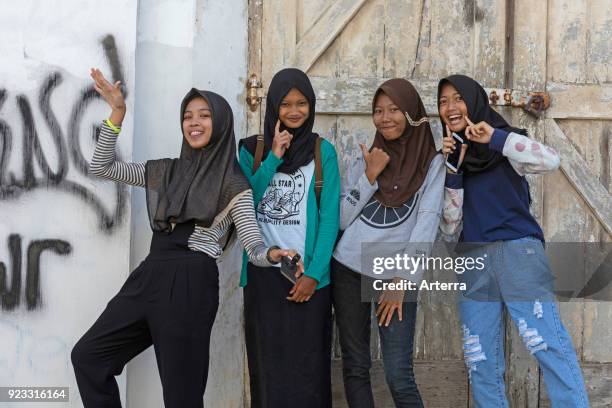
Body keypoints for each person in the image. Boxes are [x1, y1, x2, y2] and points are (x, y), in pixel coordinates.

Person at [71, 68, 302, 408]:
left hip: (191, 284)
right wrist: (117, 113)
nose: (194, 122)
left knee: (182, 397)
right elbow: (102, 167)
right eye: (188, 116)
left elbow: (252, 244)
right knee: (89, 357)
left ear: (221, 123)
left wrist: (272, 254)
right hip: (150, 276)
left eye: (205, 116)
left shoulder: (234, 185)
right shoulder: (167, 172)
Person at [438, 74, 589, 407]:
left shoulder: (507, 143)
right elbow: (449, 229)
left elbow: (551, 160)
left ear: (475, 101)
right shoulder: (450, 157)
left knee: (545, 342)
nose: (450, 107)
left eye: (458, 98)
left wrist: (494, 137)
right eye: (443, 101)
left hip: (517, 251)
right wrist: (453, 170)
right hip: (472, 260)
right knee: (480, 357)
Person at [332, 78, 444, 408]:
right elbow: (342, 218)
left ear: (412, 114)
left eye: (395, 109)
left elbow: (427, 223)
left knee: (398, 374)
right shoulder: (365, 157)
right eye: (378, 111)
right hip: (349, 267)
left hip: (395, 274)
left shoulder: (432, 163)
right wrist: (369, 176)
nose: (385, 118)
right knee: (355, 367)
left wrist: (402, 281)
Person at [238, 68, 340, 408]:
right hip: (263, 274)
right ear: (272, 107)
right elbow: (242, 205)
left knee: (309, 370)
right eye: (285, 104)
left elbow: (329, 221)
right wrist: (273, 159)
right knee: (268, 369)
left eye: (301, 104)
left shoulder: (322, 152)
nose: (294, 111)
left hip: (309, 277)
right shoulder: (250, 150)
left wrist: (314, 274)